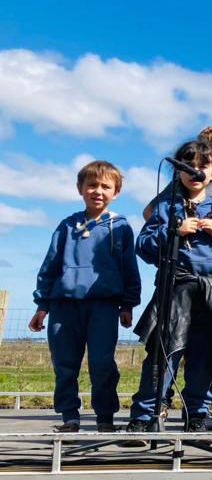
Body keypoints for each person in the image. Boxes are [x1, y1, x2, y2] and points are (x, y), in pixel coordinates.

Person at [127, 140, 212, 433]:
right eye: (188, 166)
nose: (195, 172)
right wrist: (174, 232)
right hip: (176, 288)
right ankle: (144, 415)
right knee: (163, 355)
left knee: (203, 357)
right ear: (178, 171)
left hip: (211, 292)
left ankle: (197, 414)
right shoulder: (165, 207)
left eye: (203, 166)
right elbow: (144, 247)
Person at [29, 160, 141, 432]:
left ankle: (105, 418)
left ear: (116, 192)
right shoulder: (67, 226)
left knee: (102, 363)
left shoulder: (121, 228)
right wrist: (42, 305)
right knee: (64, 364)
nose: (98, 191)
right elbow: (50, 266)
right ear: (80, 188)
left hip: (103, 307)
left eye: (105, 186)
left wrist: (128, 304)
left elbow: (129, 268)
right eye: (91, 185)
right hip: (64, 306)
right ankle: (70, 416)